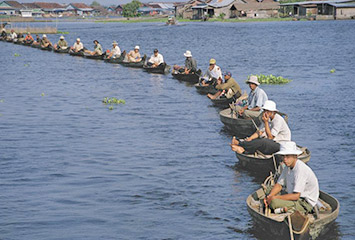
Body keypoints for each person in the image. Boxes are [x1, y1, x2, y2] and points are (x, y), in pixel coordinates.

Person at [265, 141, 319, 214]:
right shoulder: (287, 167)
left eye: (288, 156)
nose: (285, 160)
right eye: (283, 156)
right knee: (269, 190)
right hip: (293, 195)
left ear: (295, 156)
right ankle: (282, 207)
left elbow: (296, 196)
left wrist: (275, 198)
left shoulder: (300, 169)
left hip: (303, 202)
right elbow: (279, 184)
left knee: (274, 202)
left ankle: (288, 208)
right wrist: (269, 196)